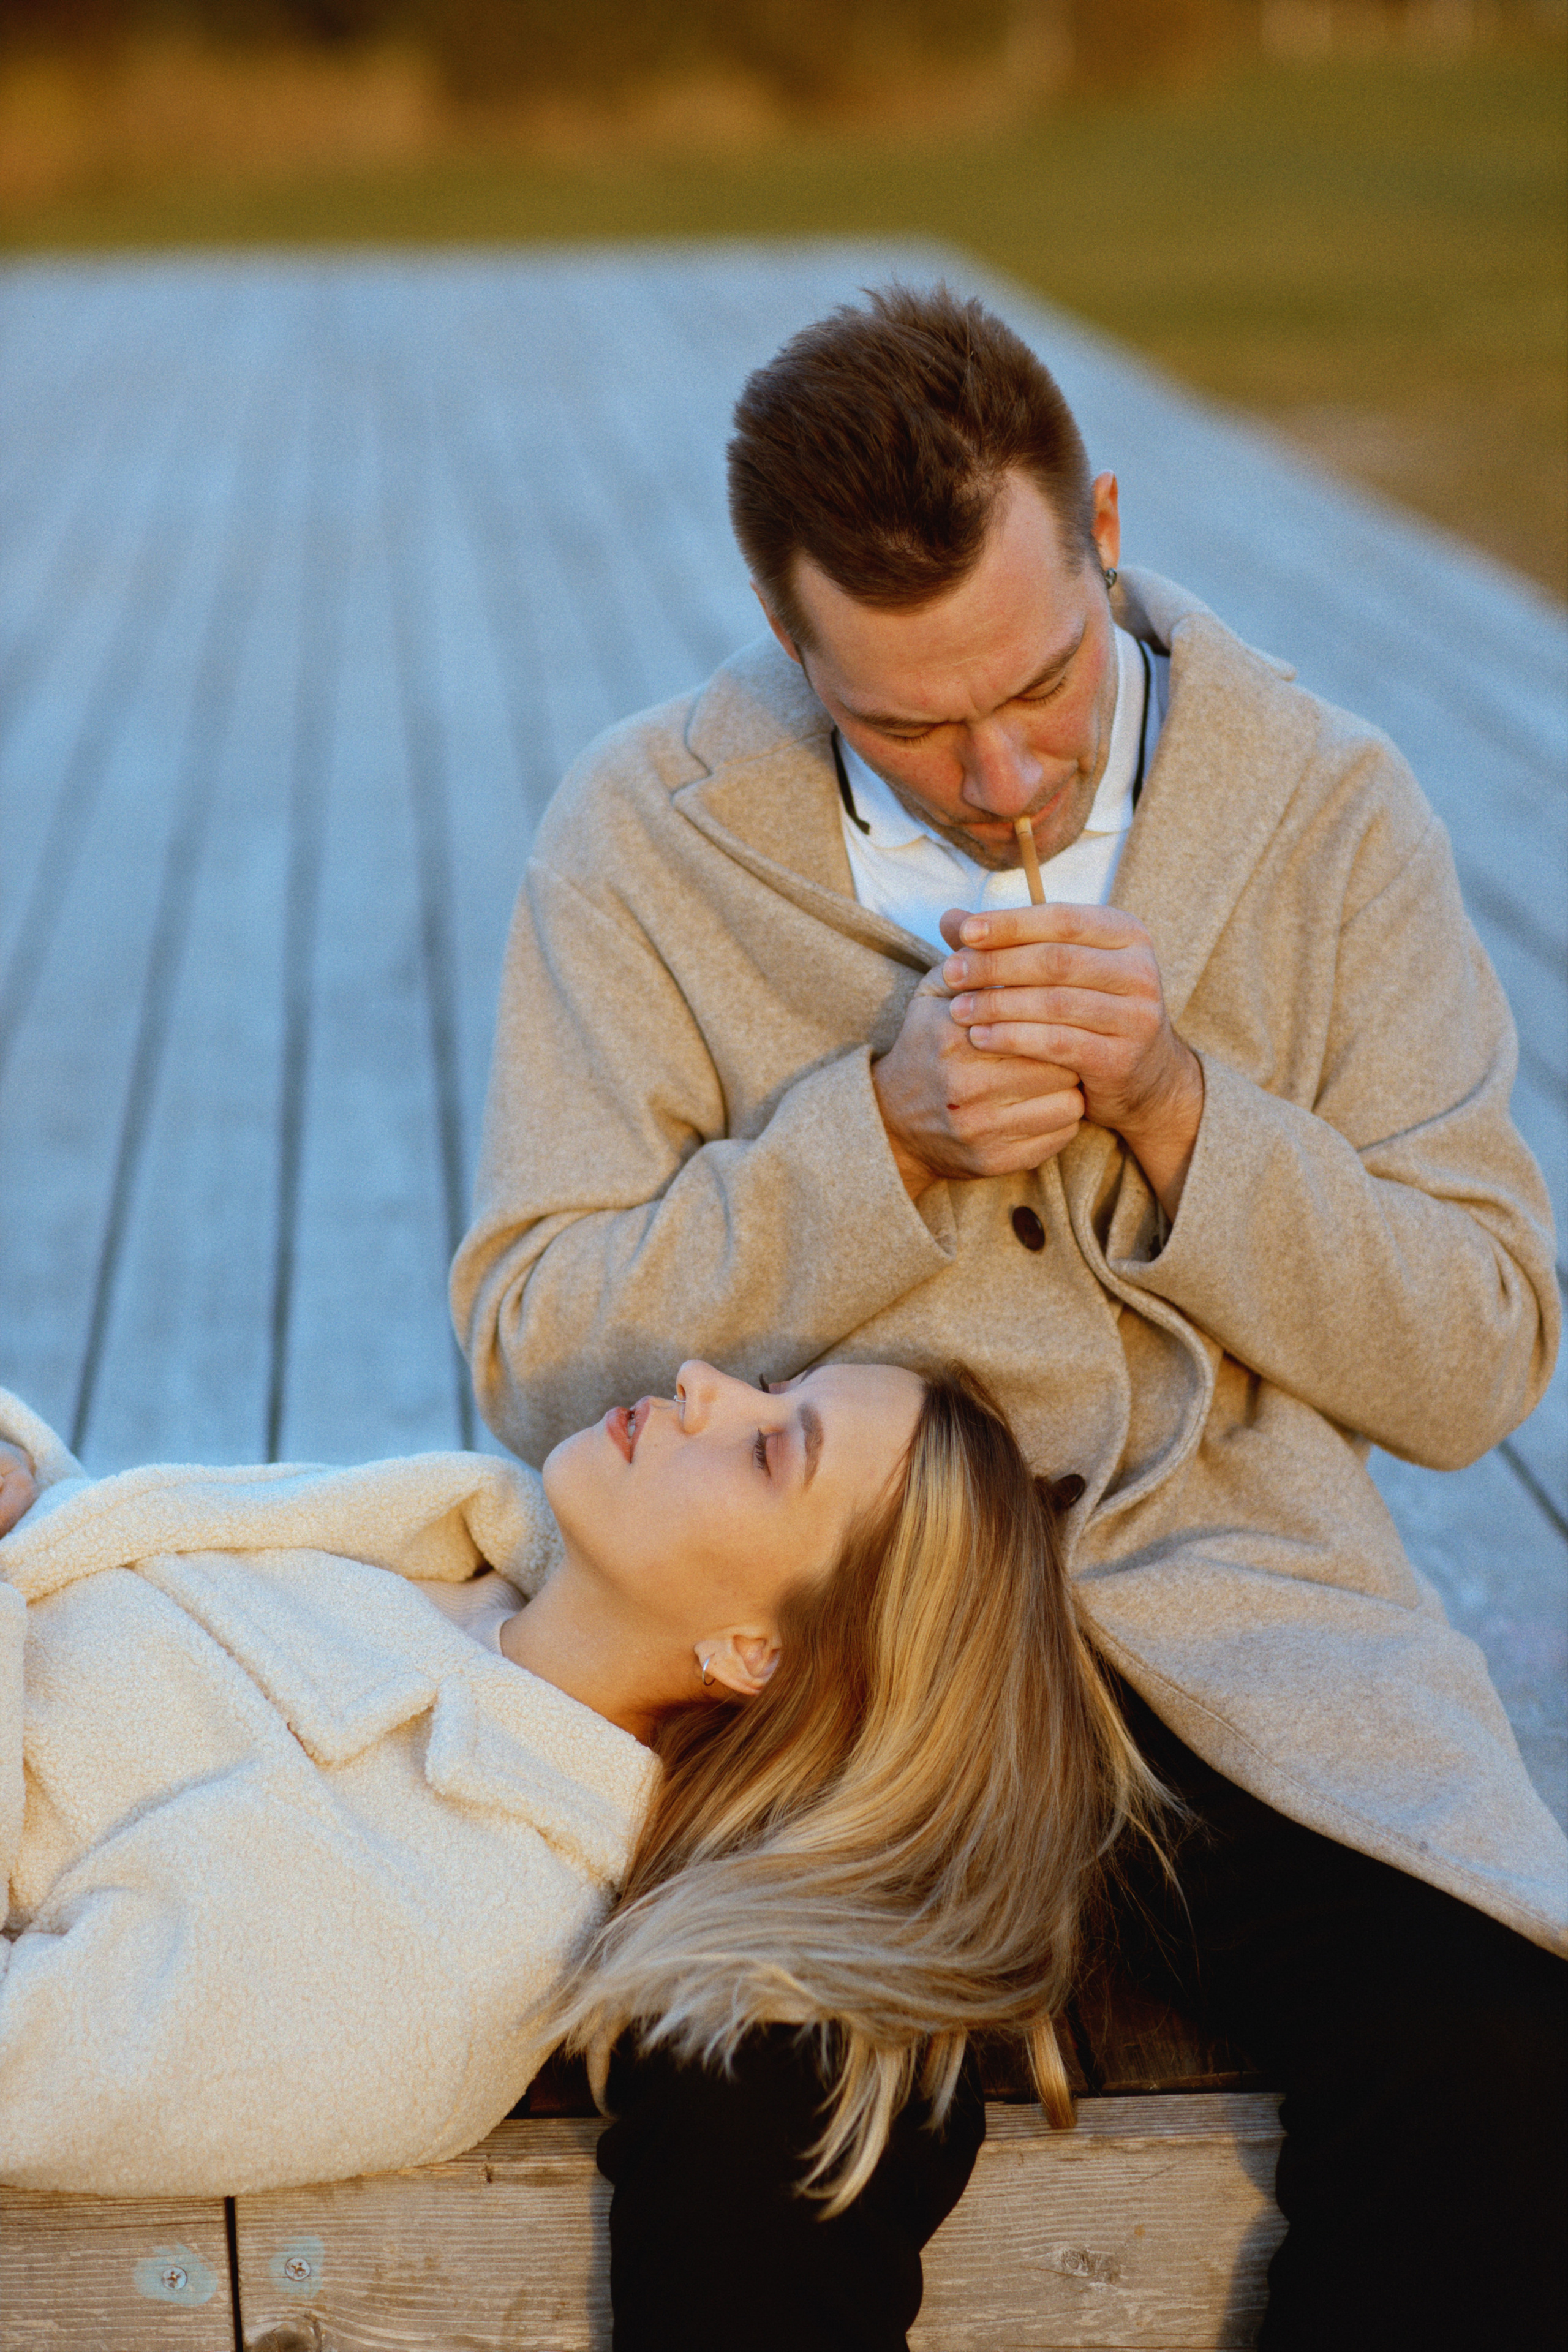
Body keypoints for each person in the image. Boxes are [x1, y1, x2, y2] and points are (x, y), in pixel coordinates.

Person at [451, 285, 1567, 2348]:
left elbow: (1480, 1347)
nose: (1000, 771)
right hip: (842, 1686)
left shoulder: (1326, 805)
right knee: (738, 2120)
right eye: (907, 726)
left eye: (1043, 683)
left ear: (1104, 529)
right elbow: (534, 1346)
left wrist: (1184, 1115)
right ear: (788, 638)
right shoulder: (641, 838)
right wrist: (869, 1144)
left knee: (1501, 2071)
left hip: (1249, 1634)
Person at [0, 1357, 1140, 2215]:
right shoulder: (440, 1549)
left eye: (767, 1450)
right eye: (767, 1386)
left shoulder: (440, 1947)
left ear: (756, 1652)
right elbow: (71, 1551)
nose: (701, 1379)